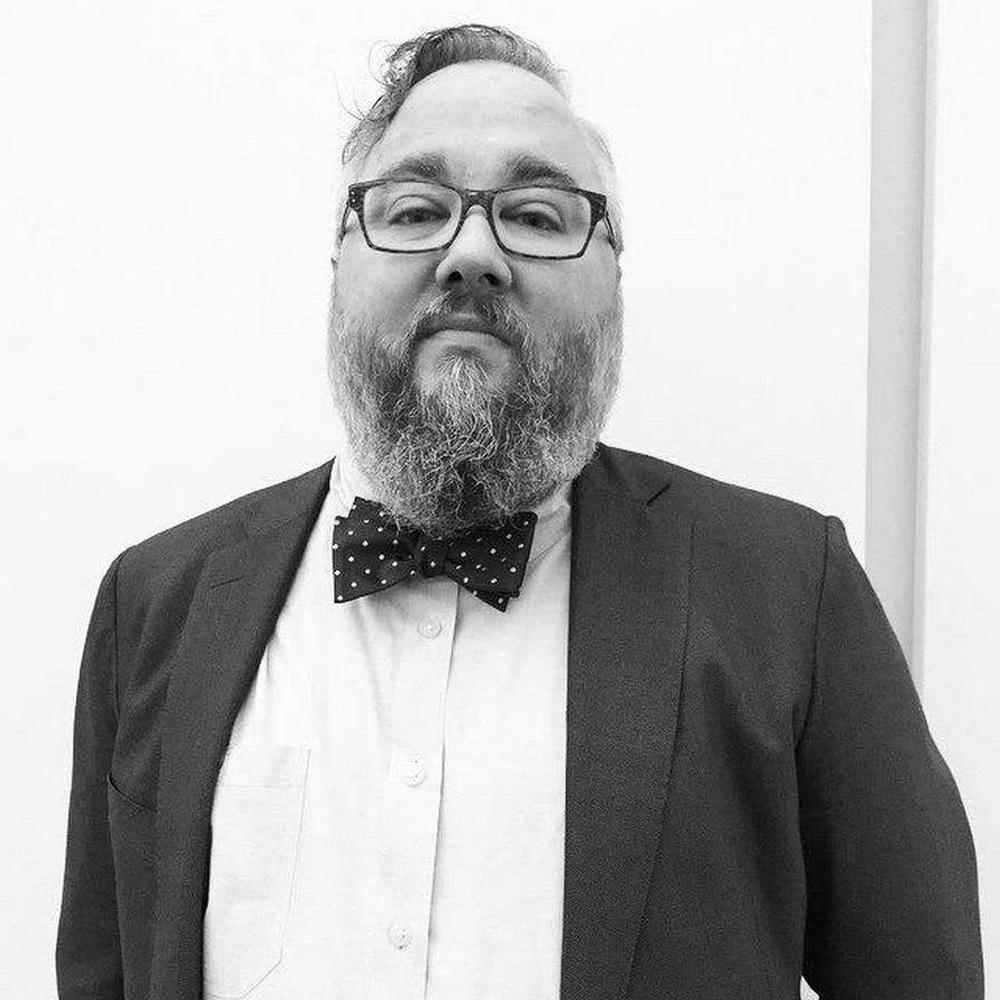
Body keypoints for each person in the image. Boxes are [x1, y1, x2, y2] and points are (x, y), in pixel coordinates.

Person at [56, 22, 983, 1000]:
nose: (471, 253)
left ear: (612, 277)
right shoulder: (153, 602)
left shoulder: (790, 590)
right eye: (416, 209)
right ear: (339, 260)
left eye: (536, 216)